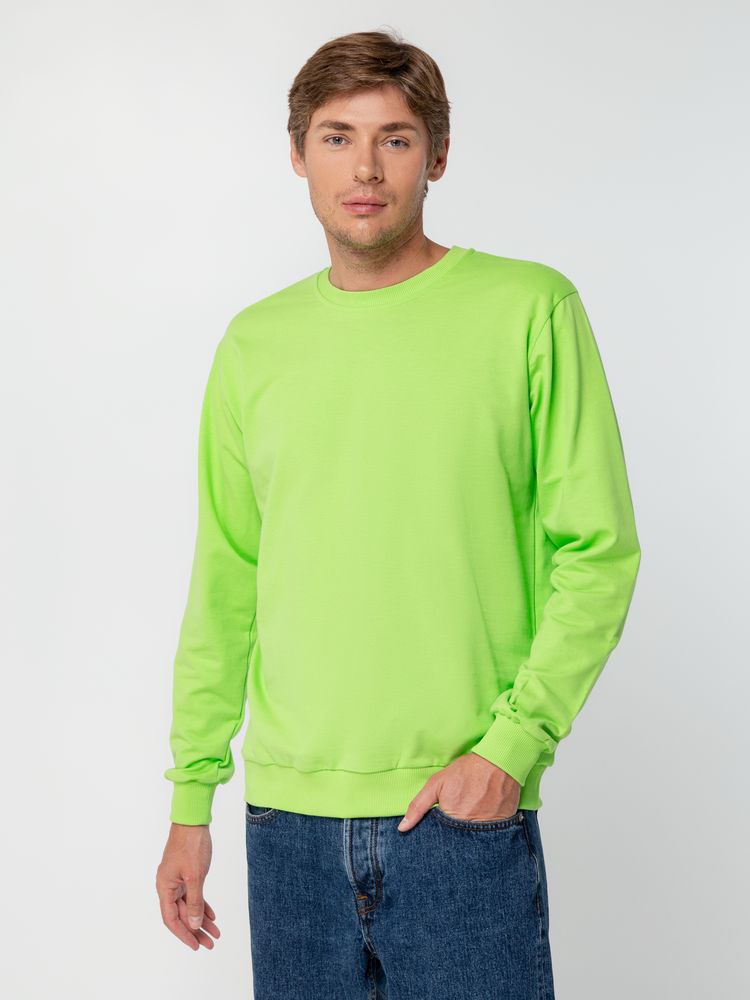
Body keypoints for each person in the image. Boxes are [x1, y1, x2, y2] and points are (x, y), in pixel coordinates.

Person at [155, 28, 641, 1000]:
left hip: (460, 812)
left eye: (396, 138)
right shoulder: (255, 345)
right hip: (287, 824)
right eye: (337, 137)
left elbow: (597, 550)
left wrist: (511, 750)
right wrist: (191, 797)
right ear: (298, 155)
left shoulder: (529, 310)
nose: (366, 168)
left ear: (438, 155)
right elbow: (227, 576)